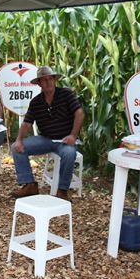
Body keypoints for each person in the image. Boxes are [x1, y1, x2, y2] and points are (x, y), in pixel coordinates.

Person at [11, 66, 84, 201]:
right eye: (44, 80)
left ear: (54, 80)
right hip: (46, 138)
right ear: (39, 83)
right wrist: (19, 139)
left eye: (50, 79)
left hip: (65, 139)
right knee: (16, 147)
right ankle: (29, 184)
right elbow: (27, 123)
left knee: (69, 153)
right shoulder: (36, 102)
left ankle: (62, 190)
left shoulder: (66, 94)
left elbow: (79, 113)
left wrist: (73, 135)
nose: (48, 82)